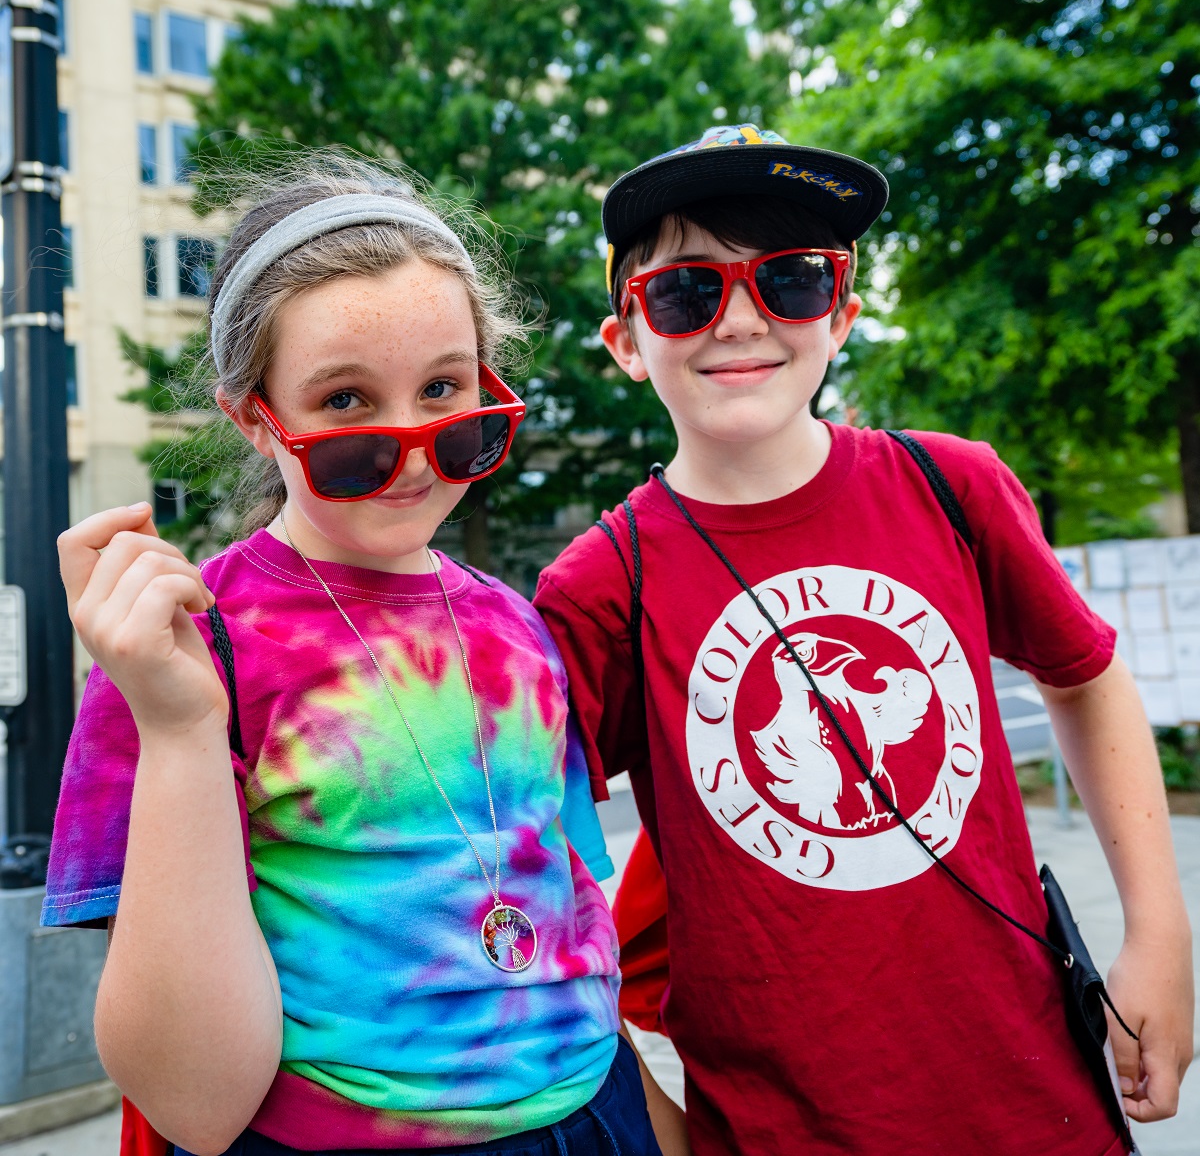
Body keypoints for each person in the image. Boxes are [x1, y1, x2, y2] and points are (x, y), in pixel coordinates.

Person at [533, 123, 1194, 1156]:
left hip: (1037, 1107)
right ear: (625, 341)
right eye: (685, 290)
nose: (741, 319)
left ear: (840, 313)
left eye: (790, 279)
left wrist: (1159, 933)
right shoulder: (602, 584)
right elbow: (519, 856)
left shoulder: (953, 486)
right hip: (780, 1129)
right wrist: (634, 1104)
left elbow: (1088, 674)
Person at [46, 157, 671, 1156]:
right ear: (255, 417)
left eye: (444, 390)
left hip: (600, 1117)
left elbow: (569, 921)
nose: (416, 446)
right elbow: (193, 1108)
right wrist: (176, 730)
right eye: (345, 403)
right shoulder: (184, 647)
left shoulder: (520, 626)